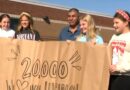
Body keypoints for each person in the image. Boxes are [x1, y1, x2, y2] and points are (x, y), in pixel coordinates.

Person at [109, 9, 130, 90]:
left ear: (126, 23)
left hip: (125, 78)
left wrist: (118, 68)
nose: (114, 25)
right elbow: (107, 52)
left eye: (117, 22)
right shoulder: (114, 36)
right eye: (113, 23)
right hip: (111, 76)